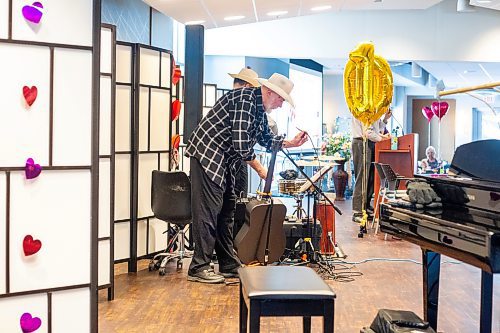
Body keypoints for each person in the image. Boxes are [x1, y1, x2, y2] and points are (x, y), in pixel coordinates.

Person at [185, 73, 308, 283]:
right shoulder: (245, 100)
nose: (280, 105)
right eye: (280, 99)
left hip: (224, 159)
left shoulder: (259, 108)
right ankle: (199, 266)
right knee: (208, 211)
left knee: (226, 209)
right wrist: (261, 170)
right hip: (208, 154)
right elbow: (242, 143)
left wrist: (291, 144)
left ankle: (227, 263)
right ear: (270, 92)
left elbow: (266, 140)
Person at [351, 109, 392, 223]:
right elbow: (368, 133)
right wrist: (383, 138)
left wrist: (384, 120)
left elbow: (377, 130)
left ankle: (366, 206)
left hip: (370, 143)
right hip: (362, 142)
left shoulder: (374, 109)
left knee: (371, 178)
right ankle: (357, 211)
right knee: (362, 177)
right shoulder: (364, 107)